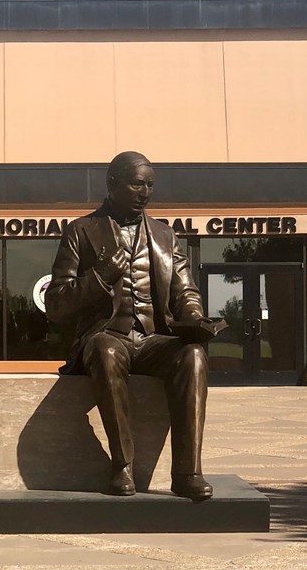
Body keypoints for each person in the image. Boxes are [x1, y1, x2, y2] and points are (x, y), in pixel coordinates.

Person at [45, 151, 214, 499]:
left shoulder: (165, 236)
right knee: (106, 350)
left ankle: (187, 472)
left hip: (153, 339)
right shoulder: (80, 231)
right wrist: (100, 277)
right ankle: (122, 466)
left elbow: (185, 291)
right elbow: (56, 304)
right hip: (107, 336)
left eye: (150, 185)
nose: (145, 192)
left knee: (193, 355)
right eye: (137, 184)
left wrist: (194, 318)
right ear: (113, 183)